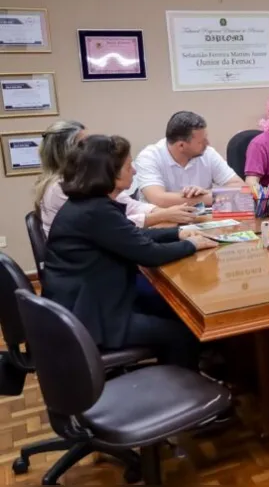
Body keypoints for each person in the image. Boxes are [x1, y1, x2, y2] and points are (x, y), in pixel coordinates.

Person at [42, 135, 217, 369]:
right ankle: (183, 393)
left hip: (91, 301)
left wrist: (178, 234)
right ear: (110, 173)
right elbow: (149, 254)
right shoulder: (96, 211)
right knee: (182, 333)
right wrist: (193, 245)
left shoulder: (88, 204)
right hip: (93, 317)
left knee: (179, 311)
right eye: (128, 166)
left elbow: (129, 237)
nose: (133, 171)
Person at [34, 121, 196, 237]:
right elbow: (114, 225)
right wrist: (162, 216)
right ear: (69, 152)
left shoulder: (84, 179)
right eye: (85, 144)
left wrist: (165, 212)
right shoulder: (61, 187)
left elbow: (128, 204)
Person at [134, 111, 245, 208]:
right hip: (162, 222)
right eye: (201, 141)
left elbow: (241, 187)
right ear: (181, 146)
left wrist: (206, 192)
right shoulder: (149, 157)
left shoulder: (208, 153)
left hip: (201, 219)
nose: (208, 143)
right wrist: (204, 198)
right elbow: (159, 199)